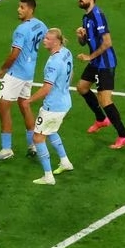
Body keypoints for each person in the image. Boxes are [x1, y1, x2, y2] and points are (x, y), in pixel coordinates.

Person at [0, 0, 48, 162]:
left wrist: (3, 69)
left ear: (30, 9)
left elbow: (15, 53)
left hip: (16, 74)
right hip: (29, 73)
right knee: (25, 105)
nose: (18, 10)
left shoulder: (21, 30)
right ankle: (33, 145)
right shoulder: (40, 25)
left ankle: (6, 148)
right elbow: (48, 39)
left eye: (22, 7)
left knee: (3, 107)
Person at [75, 0, 125, 149]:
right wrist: (81, 38)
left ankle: (124, 135)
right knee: (82, 88)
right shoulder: (86, 17)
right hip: (95, 61)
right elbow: (88, 41)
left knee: (105, 100)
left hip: (105, 63)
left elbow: (107, 43)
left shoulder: (98, 16)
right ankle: (101, 119)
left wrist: (89, 57)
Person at [25, 29, 75, 185]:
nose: (44, 40)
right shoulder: (66, 52)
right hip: (65, 100)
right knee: (51, 130)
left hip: (53, 106)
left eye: (47, 39)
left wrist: (29, 100)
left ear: (56, 42)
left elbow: (46, 88)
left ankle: (48, 176)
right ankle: (65, 162)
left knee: (38, 137)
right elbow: (71, 73)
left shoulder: (54, 63)